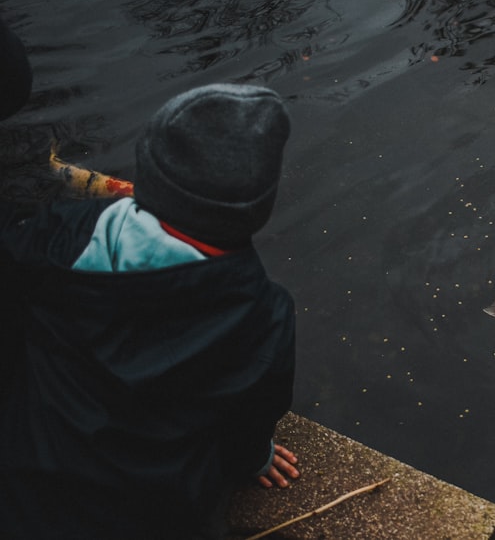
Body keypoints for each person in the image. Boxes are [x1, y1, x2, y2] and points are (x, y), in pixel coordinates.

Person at [1, 83, 300, 538]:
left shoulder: (61, 234)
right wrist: (253, 459)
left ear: (149, 175)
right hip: (155, 512)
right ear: (258, 209)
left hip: (24, 474)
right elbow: (252, 414)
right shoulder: (265, 316)